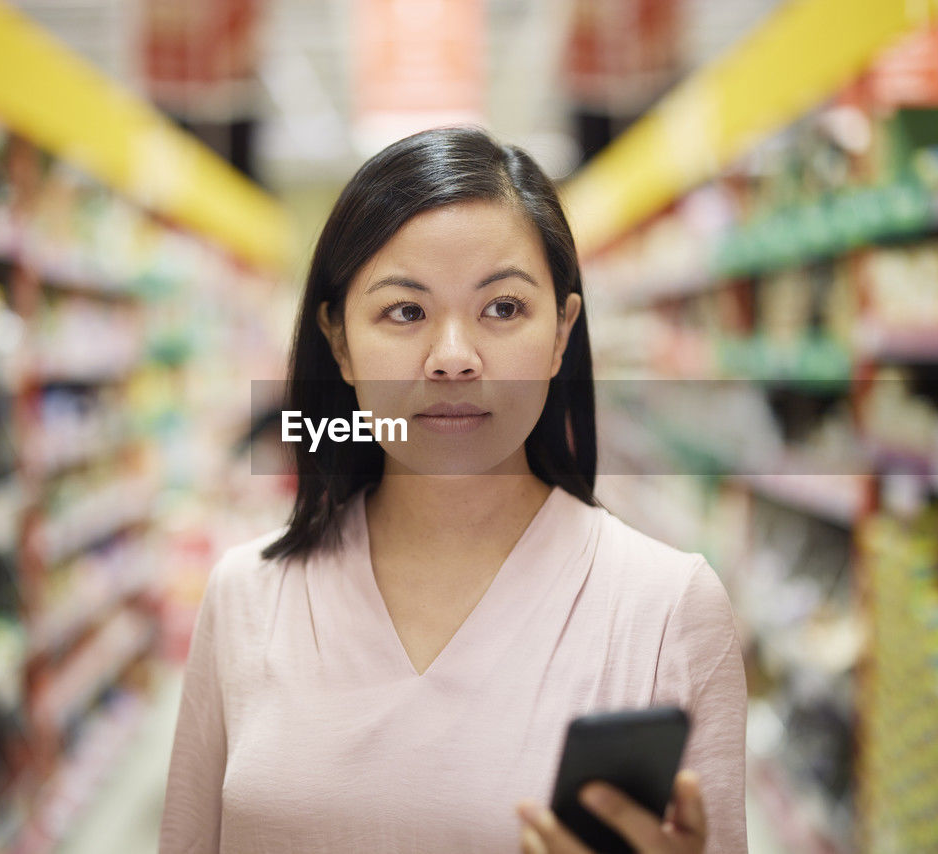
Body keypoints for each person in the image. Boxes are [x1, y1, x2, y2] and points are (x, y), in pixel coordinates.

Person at [160, 127, 747, 854]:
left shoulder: (667, 609)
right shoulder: (245, 599)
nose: (453, 359)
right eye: (404, 312)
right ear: (339, 341)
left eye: (503, 308)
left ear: (562, 332)